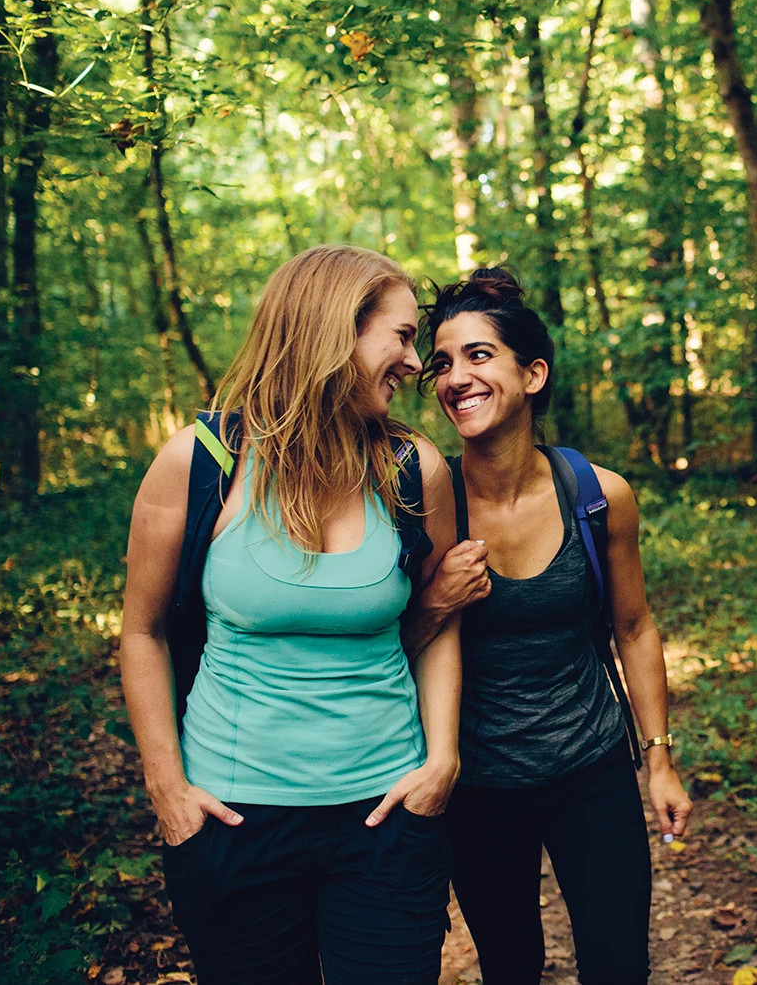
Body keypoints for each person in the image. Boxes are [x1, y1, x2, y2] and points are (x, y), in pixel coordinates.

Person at [119, 244, 484, 984]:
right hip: (232, 818)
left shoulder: (414, 469)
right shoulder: (200, 460)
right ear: (335, 329)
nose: (417, 364)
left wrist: (441, 758)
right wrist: (168, 790)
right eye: (405, 336)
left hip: (387, 815)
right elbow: (142, 629)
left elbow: (438, 617)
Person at [420, 267, 693, 984]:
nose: (455, 378)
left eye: (479, 355)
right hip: (478, 786)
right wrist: (437, 598)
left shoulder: (599, 496)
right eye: (442, 363)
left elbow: (634, 627)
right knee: (511, 968)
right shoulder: (426, 502)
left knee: (616, 965)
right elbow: (394, 643)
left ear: (533, 373)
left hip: (590, 769)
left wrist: (658, 757)